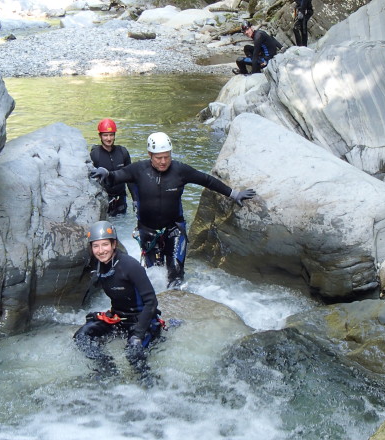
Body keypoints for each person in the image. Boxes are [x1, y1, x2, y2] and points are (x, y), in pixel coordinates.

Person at [90, 132, 256, 288]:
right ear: (150, 155)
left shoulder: (180, 170)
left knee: (176, 273)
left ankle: (177, 307)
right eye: (159, 158)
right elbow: (116, 175)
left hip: (174, 229)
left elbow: (207, 180)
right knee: (154, 275)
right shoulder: (139, 170)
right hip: (148, 232)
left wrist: (234, 194)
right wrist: (105, 172)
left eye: (167, 156)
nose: (163, 161)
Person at [73, 220, 163, 386]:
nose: (101, 251)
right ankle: (109, 370)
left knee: (132, 353)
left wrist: (138, 334)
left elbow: (151, 302)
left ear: (114, 244)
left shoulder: (130, 265)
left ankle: (150, 384)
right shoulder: (99, 265)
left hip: (142, 319)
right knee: (82, 337)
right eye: (96, 246)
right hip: (118, 318)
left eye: (105, 245)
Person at [90, 118, 137, 216]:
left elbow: (130, 178)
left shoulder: (122, 152)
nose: (108, 138)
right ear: (100, 136)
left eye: (111, 135)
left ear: (115, 135)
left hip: (121, 199)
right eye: (105, 135)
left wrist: (135, 200)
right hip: (104, 200)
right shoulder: (95, 155)